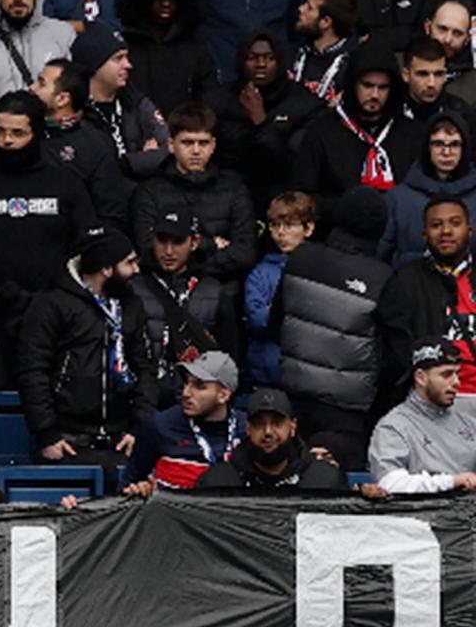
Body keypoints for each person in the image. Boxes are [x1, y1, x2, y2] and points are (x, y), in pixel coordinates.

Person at [0, 90, 96, 391]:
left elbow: (88, 250)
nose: (7, 141)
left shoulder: (64, 182)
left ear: (36, 133)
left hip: (47, 317)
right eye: (0, 131)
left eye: (18, 133)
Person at [17, 225, 157, 469]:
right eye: (129, 262)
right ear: (106, 269)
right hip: (67, 442)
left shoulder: (132, 305)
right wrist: (47, 433)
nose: (136, 269)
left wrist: (139, 427)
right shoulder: (52, 305)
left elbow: (145, 369)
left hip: (121, 441)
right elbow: (33, 370)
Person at [274, 186, 395, 470]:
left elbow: (273, 326)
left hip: (295, 398)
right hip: (349, 411)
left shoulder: (299, 259)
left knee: (293, 482)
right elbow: (395, 355)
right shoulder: (383, 278)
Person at [293, 39, 422, 228]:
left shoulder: (411, 133)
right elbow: (304, 196)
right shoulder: (323, 131)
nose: (375, 95)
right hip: (338, 236)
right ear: (353, 84)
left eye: (383, 87)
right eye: (367, 85)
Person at [132, 101, 256, 283]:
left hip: (221, 292)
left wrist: (191, 267)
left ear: (213, 145)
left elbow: (245, 253)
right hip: (162, 292)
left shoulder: (234, 189)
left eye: (203, 143)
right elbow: (146, 248)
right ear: (171, 145)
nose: (196, 151)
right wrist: (212, 244)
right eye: (187, 143)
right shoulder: (149, 191)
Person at [205, 29, 324, 216]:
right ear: (241, 62)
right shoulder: (218, 100)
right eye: (252, 58)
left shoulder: (303, 103)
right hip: (228, 194)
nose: (261, 64)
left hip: (281, 196)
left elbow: (291, 165)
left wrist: (260, 121)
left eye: (269, 58)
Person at [132, 207, 237, 406]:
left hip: (197, 403)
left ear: (194, 242)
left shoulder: (213, 290)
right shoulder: (134, 287)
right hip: (142, 402)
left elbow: (229, 356)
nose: (169, 251)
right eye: (162, 240)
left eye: (178, 242)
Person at [379, 196, 476, 394]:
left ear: (469, 230)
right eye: (436, 225)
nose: (446, 231)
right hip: (433, 401)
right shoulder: (405, 281)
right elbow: (398, 351)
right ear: (424, 234)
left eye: (455, 223)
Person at [32, 57, 134, 232]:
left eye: (41, 84)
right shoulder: (26, 134)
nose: (32, 88)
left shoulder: (95, 143)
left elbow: (110, 211)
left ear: (62, 99)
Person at [123, 349, 245, 490]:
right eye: (186, 382)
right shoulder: (159, 426)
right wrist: (140, 490)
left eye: (200, 386)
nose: (186, 393)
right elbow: (128, 486)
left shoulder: (248, 429)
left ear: (223, 395)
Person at [369, 335, 476, 491]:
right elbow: (390, 482)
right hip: (421, 514)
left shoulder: (467, 411)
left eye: (457, 374)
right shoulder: (393, 426)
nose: (456, 382)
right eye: (446, 374)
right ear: (421, 377)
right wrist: (453, 481)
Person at [115, 0, 219, 119]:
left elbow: (207, 104)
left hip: (182, 135)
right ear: (144, 0)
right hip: (134, 134)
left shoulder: (196, 51)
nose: (166, 4)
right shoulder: (124, 47)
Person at [197, 386, 349, 489]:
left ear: (292, 426)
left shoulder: (326, 481)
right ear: (248, 428)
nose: (268, 431)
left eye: (277, 423)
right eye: (259, 424)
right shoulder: (217, 483)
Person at [379, 111, 476, 268]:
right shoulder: (397, 199)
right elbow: (381, 256)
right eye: (438, 144)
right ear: (427, 147)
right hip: (411, 287)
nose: (446, 153)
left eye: (454, 144)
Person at [73, 21, 169, 179]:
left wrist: (128, 163)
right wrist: (140, 161)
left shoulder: (136, 103)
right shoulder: (74, 110)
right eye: (118, 59)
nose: (128, 65)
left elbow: (171, 148)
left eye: (127, 57)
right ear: (94, 66)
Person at [245, 191, 317, 387]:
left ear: (308, 228)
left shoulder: (319, 269)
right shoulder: (261, 273)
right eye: (276, 225)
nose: (281, 233)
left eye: (290, 225)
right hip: (268, 372)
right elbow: (258, 319)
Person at [291, 0, 359, 105]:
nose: (301, 9)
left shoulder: (354, 65)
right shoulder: (293, 52)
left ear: (325, 22)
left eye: (309, 7)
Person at [400, 35, 476, 137]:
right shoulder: (390, 113)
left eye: (438, 74)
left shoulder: (463, 116)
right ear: (406, 75)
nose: (431, 83)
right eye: (423, 74)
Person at [424, 0, 476, 105]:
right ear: (428, 27)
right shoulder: (401, 65)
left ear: (467, 39)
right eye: (442, 29)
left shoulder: (473, 83)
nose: (447, 40)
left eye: (457, 33)